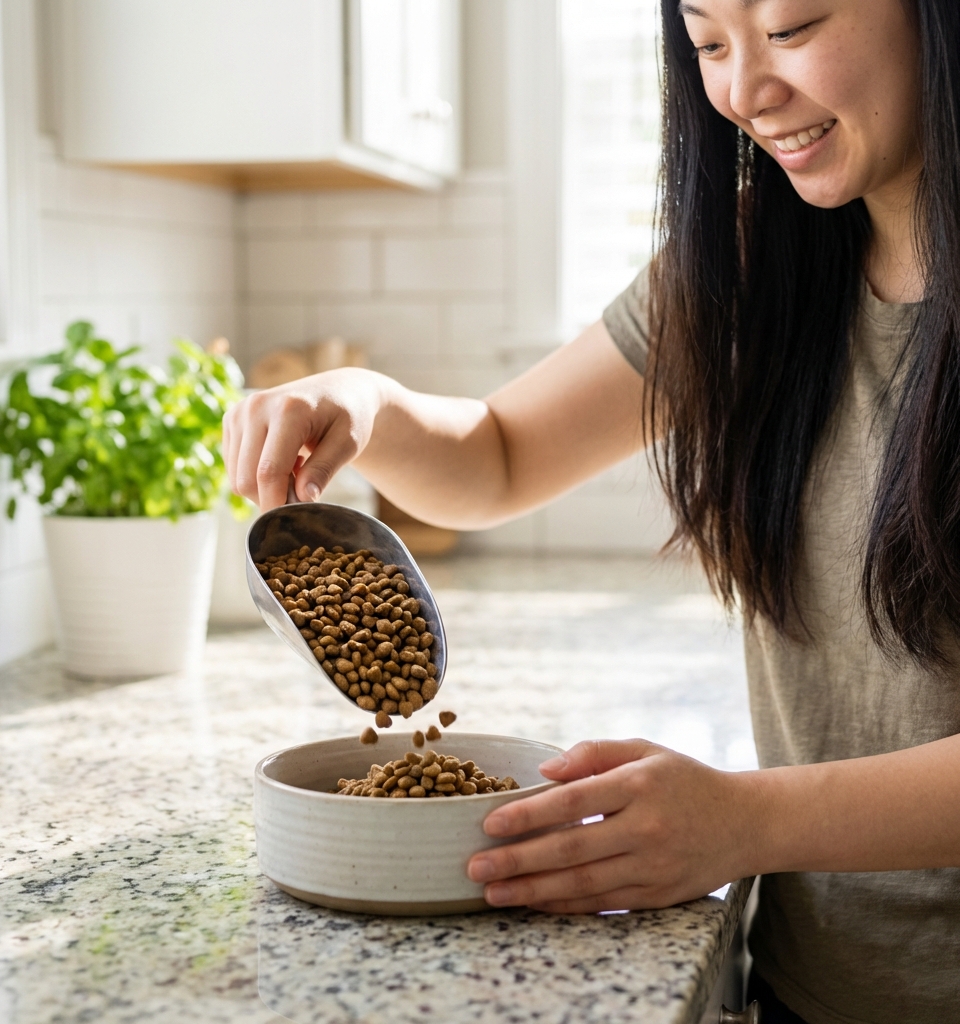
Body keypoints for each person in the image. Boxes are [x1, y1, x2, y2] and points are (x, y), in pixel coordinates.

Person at [223, 1, 960, 1021]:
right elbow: (498, 456)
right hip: (812, 984)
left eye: (791, 26)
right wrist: (368, 404)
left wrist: (743, 819)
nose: (743, 91)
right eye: (707, 42)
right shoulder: (752, 267)